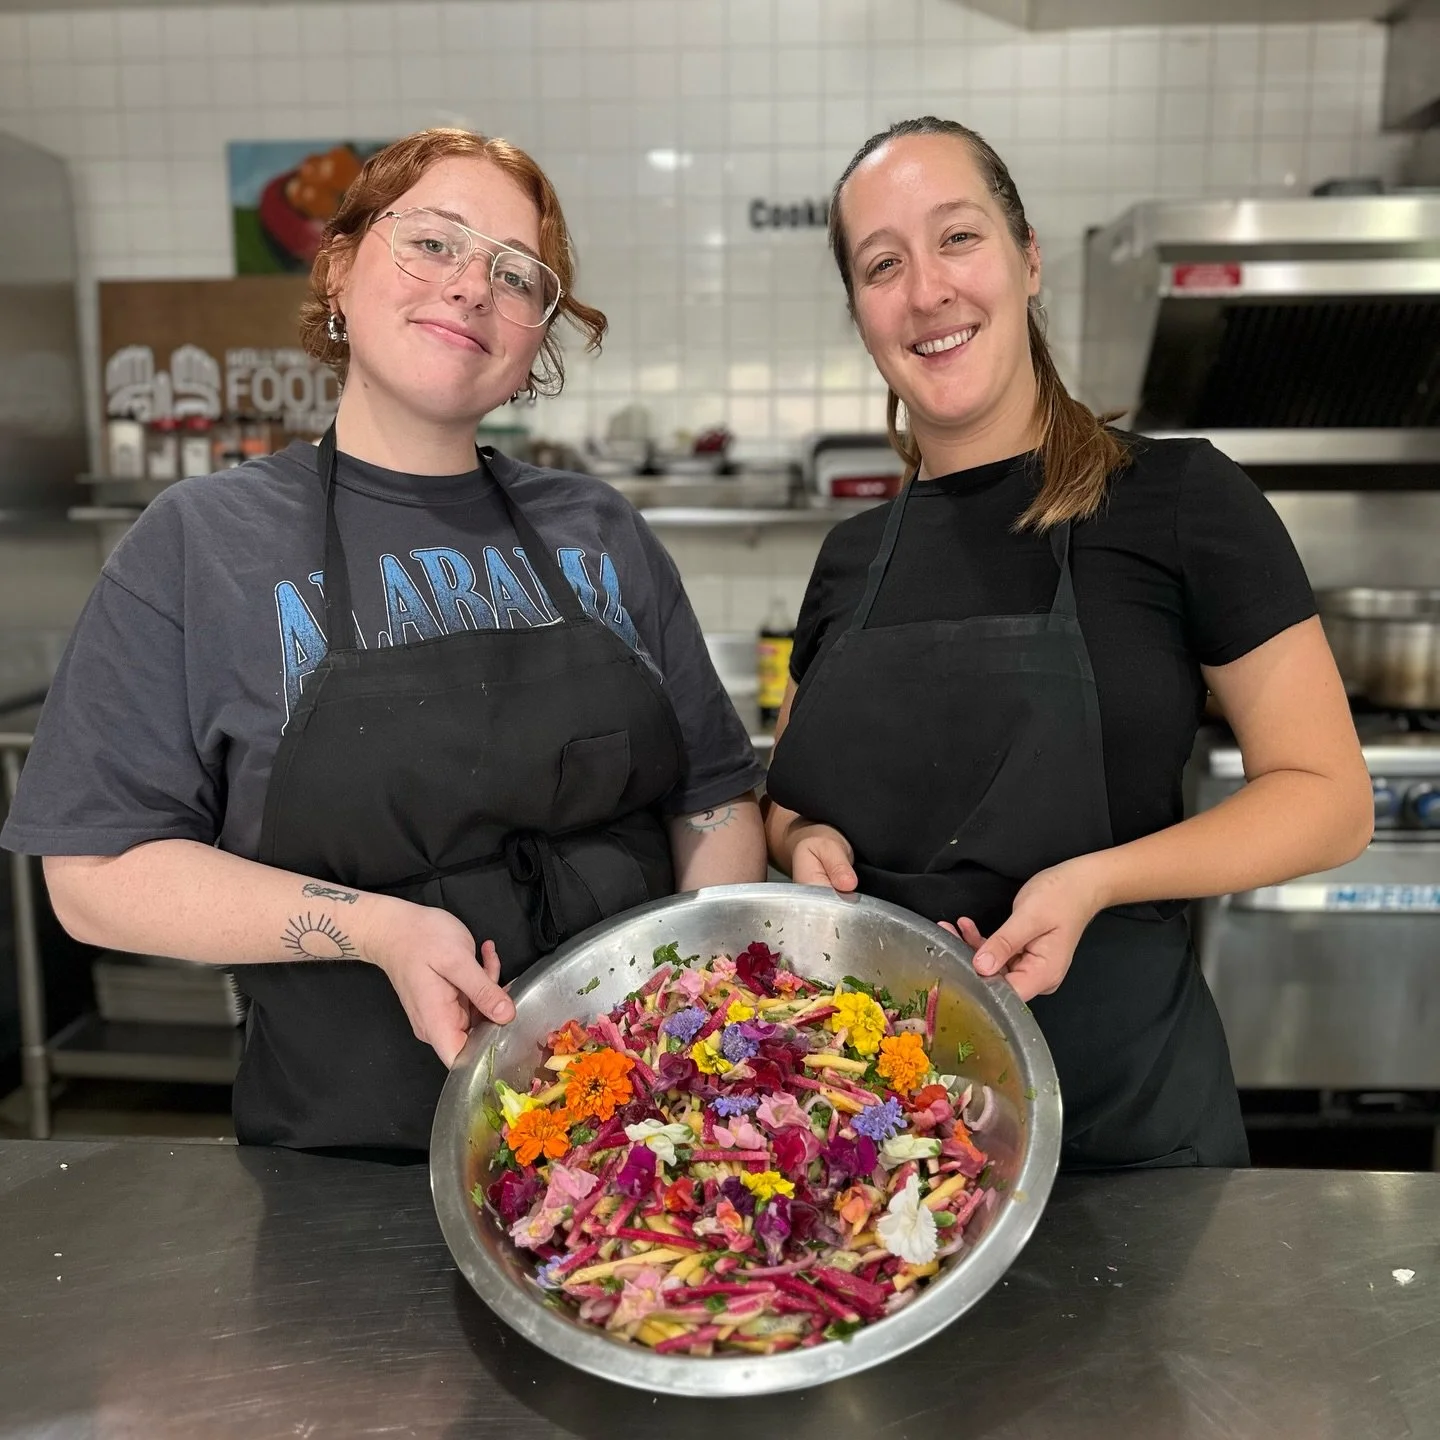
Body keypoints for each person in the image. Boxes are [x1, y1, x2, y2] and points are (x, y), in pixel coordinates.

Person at [1, 128, 767, 1155]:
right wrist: (378, 929)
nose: (470, 289)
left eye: (516, 273)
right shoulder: (200, 543)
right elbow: (94, 873)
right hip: (347, 1162)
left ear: (535, 337)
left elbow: (711, 794)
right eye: (434, 243)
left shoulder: (599, 529)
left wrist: (698, 1022)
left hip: (635, 1147)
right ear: (339, 268)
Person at [762, 117, 1373, 1170]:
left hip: (1124, 1131)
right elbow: (787, 797)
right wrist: (796, 842)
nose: (927, 291)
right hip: (881, 1150)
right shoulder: (853, 556)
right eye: (882, 265)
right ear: (862, 313)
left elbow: (1329, 797)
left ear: (1027, 257)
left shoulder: (1181, 500)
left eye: (959, 238)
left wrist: (1090, 881)